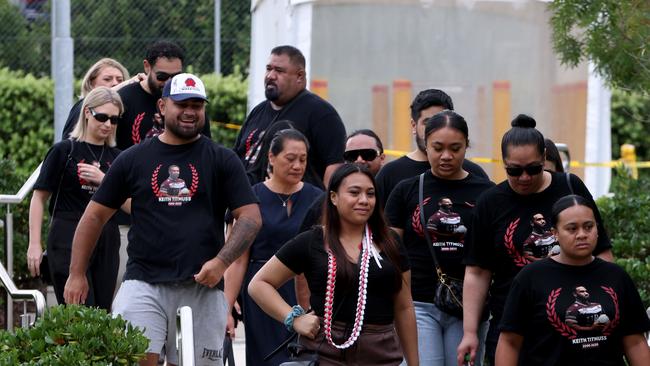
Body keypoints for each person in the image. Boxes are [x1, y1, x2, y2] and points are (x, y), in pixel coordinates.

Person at [63, 73, 262, 366]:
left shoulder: (221, 159)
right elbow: (94, 216)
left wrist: (221, 262)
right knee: (135, 359)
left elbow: (251, 217)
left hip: (202, 287)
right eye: (182, 104)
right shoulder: (133, 159)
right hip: (144, 283)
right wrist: (76, 273)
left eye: (197, 105)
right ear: (162, 106)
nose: (190, 112)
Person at [457, 114, 614, 366]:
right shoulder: (490, 203)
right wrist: (470, 332)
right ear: (503, 163)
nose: (524, 178)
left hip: (570, 325)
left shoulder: (570, 187)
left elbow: (602, 251)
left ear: (545, 159)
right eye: (514, 170)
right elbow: (477, 272)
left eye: (533, 168)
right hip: (513, 326)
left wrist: (609, 305)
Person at [248, 164, 419, 365]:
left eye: (370, 194)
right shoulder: (312, 241)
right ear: (334, 197)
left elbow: (404, 308)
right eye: (354, 192)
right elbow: (258, 284)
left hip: (381, 353)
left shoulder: (390, 242)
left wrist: (414, 363)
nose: (364, 200)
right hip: (324, 353)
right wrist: (294, 319)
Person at [385, 111, 494, 366]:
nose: (446, 156)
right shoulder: (407, 190)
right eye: (438, 148)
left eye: (455, 148)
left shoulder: (486, 193)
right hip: (418, 304)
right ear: (425, 145)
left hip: (466, 307)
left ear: (466, 145)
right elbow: (390, 250)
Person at [496, 195, 650, 365]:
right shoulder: (530, 277)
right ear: (555, 233)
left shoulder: (616, 276)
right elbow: (510, 342)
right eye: (572, 228)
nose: (582, 234)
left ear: (597, 229)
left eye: (588, 227)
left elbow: (635, 342)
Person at [224, 129, 323, 365]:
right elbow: (237, 260)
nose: (298, 165)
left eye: (303, 159)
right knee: (266, 358)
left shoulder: (319, 198)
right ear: (271, 157)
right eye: (290, 159)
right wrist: (226, 308)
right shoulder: (251, 198)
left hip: (306, 290)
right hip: (262, 290)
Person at [28, 87, 124, 310]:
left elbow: (131, 205)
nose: (108, 125)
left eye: (114, 119)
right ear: (87, 113)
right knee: (77, 310)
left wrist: (104, 180)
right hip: (67, 233)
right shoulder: (65, 150)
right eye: (102, 117)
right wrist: (34, 243)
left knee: (102, 311)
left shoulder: (119, 158)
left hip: (106, 236)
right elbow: (39, 197)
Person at [233, 45, 346, 189]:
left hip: (296, 207)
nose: (270, 76)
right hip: (249, 203)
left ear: (299, 76)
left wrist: (325, 207)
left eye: (279, 71)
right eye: (269, 69)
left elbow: (334, 167)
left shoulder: (321, 113)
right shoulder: (258, 111)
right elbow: (238, 155)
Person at [375, 89, 488, 206]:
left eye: (442, 121)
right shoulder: (390, 174)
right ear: (414, 125)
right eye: (428, 122)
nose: (436, 129)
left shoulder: (475, 173)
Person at [115, 40, 211, 150]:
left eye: (175, 77)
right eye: (162, 76)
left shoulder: (190, 100)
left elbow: (205, 147)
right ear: (147, 67)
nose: (168, 82)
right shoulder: (124, 99)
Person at [61, 58, 140, 139]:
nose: (115, 83)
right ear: (91, 83)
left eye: (120, 80)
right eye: (107, 79)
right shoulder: (82, 106)